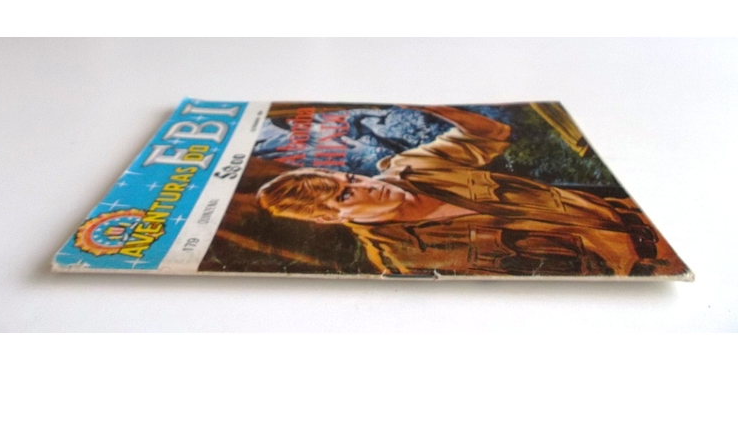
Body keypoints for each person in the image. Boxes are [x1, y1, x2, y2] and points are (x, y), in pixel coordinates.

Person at [257, 105, 686, 277]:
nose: (368, 184)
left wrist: (430, 105)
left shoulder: (412, 167)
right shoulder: (402, 261)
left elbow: (491, 134)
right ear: (327, 218)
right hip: (637, 281)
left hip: (651, 220)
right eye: (346, 196)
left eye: (351, 179)